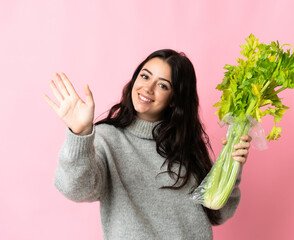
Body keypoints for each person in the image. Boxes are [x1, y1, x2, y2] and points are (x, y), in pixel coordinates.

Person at [44, 49, 252, 240]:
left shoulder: (187, 146)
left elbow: (219, 213)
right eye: (144, 76)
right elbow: (76, 189)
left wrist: (232, 166)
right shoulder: (107, 139)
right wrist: (80, 134)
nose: (148, 88)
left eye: (163, 85)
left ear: (174, 99)